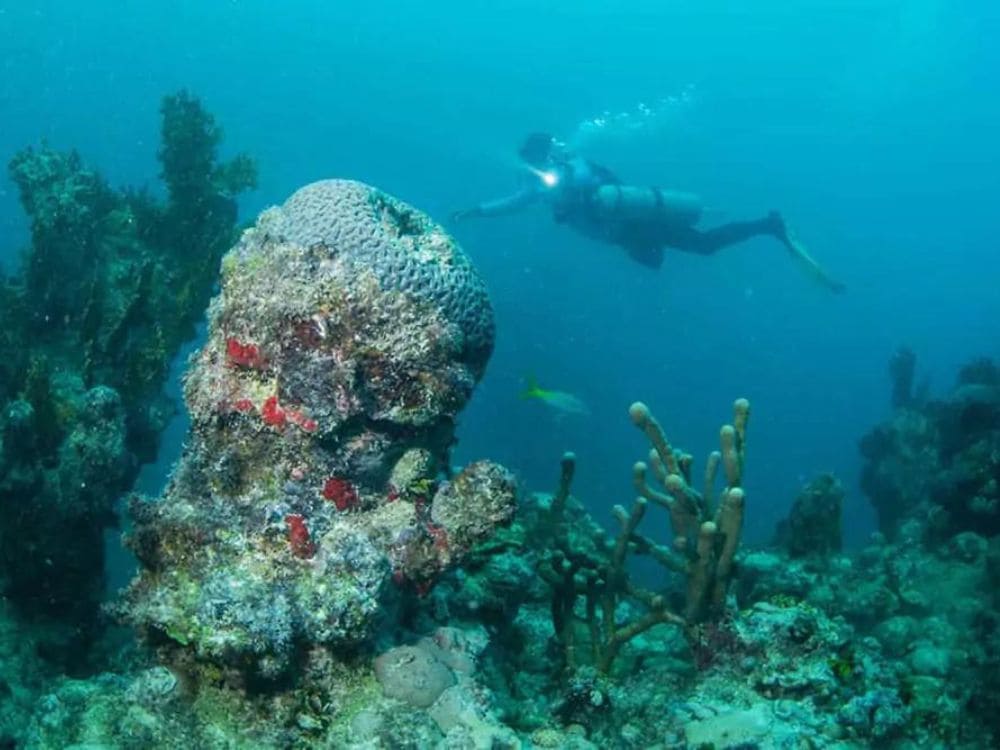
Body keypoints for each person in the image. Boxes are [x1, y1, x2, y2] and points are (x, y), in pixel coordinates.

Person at [452, 132, 845, 293]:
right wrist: (476, 211)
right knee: (666, 258)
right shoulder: (543, 186)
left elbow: (587, 178)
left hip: (636, 225)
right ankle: (760, 224)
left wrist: (566, 174)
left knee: (703, 246)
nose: (532, 168)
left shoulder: (572, 171)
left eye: (533, 161)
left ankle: (769, 224)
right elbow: (514, 202)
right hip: (628, 233)